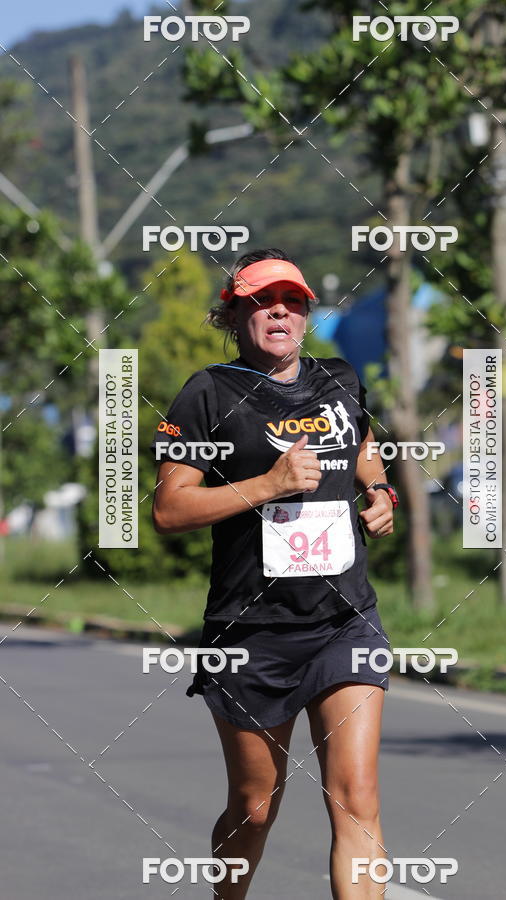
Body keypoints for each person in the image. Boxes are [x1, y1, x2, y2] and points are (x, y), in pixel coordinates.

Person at [150, 248, 398, 898]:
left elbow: (362, 444)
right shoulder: (208, 393)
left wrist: (378, 490)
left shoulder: (339, 379)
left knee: (357, 798)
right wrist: (268, 484)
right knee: (255, 808)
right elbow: (169, 508)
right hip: (250, 634)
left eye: (292, 301)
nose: (279, 312)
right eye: (262, 302)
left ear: (307, 314)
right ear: (234, 316)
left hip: (344, 620)